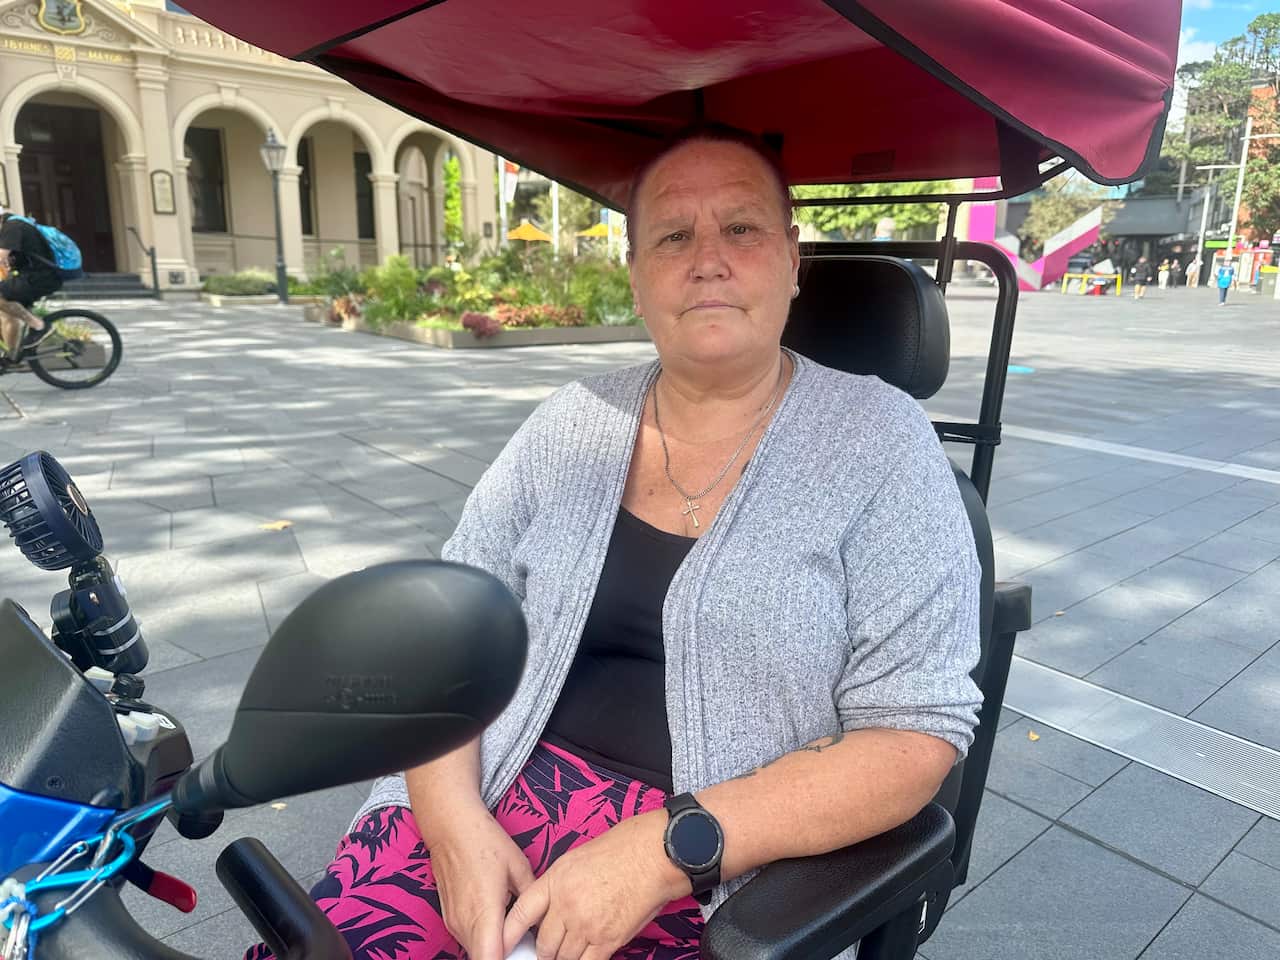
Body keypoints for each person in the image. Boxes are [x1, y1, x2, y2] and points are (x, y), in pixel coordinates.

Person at [247, 127, 983, 960]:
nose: (708, 259)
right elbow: (439, 630)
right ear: (636, 276)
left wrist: (666, 851)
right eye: (673, 235)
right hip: (480, 790)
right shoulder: (571, 420)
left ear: (792, 258)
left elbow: (914, 736)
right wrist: (451, 829)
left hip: (720, 862)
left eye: (741, 228)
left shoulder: (881, 443)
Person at [0, 209, 60, 360]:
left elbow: (1, 256)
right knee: (9, 312)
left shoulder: (13, 226)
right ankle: (13, 357)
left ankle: (40, 326)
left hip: (41, 277)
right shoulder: (12, 226)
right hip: (34, 276)